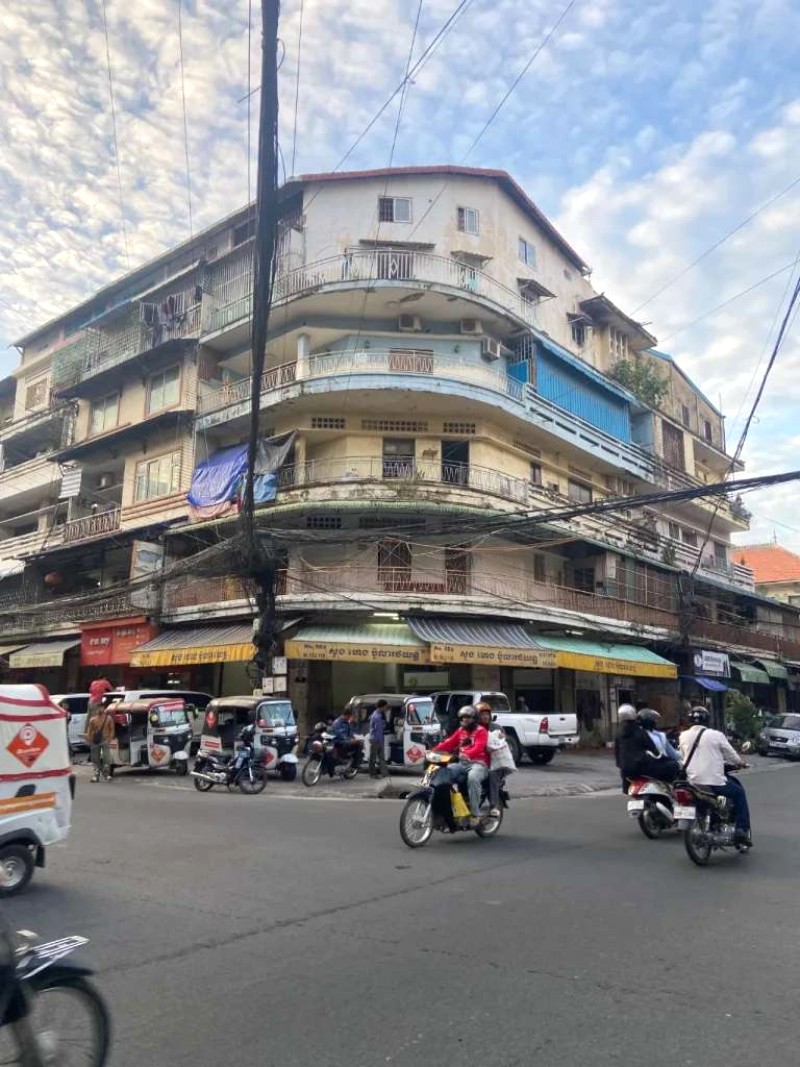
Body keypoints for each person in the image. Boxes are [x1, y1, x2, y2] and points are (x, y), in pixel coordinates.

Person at [679, 706, 752, 846]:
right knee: (739, 793)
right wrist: (741, 763)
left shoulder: (683, 736)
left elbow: (683, 758)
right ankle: (742, 830)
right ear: (707, 720)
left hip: (692, 783)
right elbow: (731, 755)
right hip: (714, 782)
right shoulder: (716, 735)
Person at [433, 706, 490, 825]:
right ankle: (449, 808)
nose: (465, 720)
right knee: (444, 773)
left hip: (478, 764)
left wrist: (467, 754)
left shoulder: (481, 731)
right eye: (463, 718)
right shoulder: (461, 730)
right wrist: (432, 750)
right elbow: (449, 743)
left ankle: (475, 814)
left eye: (468, 717)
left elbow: (478, 747)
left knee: (473, 778)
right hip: (461, 764)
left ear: (474, 719)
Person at [616, 704, 680, 786]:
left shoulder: (618, 733)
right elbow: (655, 751)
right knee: (673, 766)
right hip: (641, 768)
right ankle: (668, 787)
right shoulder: (640, 732)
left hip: (625, 772)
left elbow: (617, 755)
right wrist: (664, 759)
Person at [477, 703, 515, 817]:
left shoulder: (496, 727)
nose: (485, 717)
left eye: (486, 714)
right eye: (482, 714)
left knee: (492, 775)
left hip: (496, 763)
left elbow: (504, 739)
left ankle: (493, 806)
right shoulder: (474, 728)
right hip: (478, 761)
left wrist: (501, 737)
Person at [85, 701, 114, 782]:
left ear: (104, 708)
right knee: (95, 759)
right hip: (95, 741)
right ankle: (96, 775)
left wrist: (110, 738)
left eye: (101, 707)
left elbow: (112, 729)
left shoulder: (108, 719)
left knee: (106, 758)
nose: (100, 709)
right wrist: (89, 740)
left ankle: (107, 774)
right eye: (98, 708)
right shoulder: (92, 720)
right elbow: (89, 731)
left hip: (105, 740)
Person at [614, 704, 638, 793]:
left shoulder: (619, 732)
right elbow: (650, 746)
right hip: (639, 765)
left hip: (624, 767)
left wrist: (619, 763)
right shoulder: (639, 730)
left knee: (626, 790)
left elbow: (616, 750)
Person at [368, 700, 389, 778]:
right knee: (374, 758)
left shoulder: (376, 714)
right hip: (376, 739)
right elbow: (378, 730)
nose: (386, 708)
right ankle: (373, 774)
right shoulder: (377, 716)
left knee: (380, 757)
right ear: (382, 706)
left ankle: (384, 773)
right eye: (385, 707)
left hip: (377, 738)